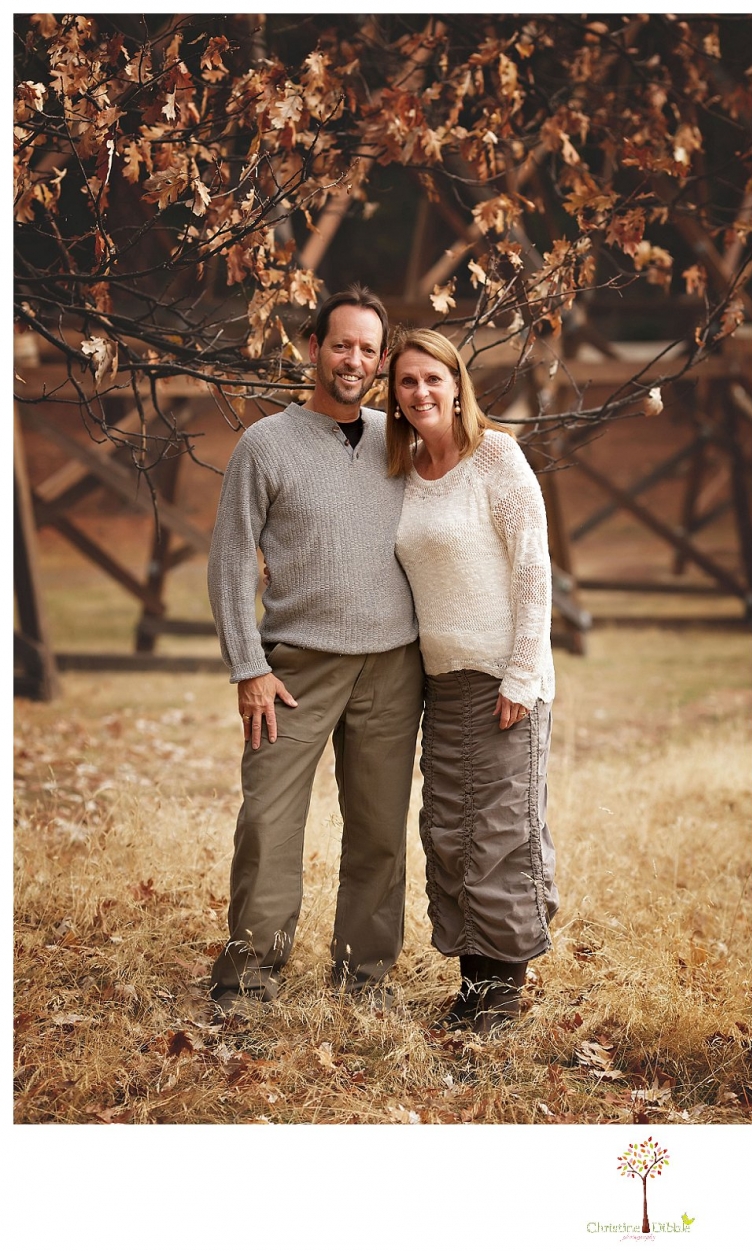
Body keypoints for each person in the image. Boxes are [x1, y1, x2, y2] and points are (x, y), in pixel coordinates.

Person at [207, 286, 423, 1017]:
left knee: (379, 830)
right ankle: (248, 981)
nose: (353, 359)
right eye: (341, 344)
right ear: (312, 347)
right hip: (294, 669)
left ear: (382, 360)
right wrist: (248, 666)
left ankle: (365, 976)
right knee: (268, 823)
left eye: (368, 348)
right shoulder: (265, 444)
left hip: (393, 667)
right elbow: (231, 560)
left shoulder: (400, 440)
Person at [386, 327, 558, 1036]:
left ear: (458, 385)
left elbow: (532, 569)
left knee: (501, 834)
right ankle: (473, 986)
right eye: (407, 381)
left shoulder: (497, 457)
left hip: (502, 680)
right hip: (441, 682)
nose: (421, 391)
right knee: (451, 833)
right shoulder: (403, 469)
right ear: (395, 396)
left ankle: (503, 998)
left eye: (434, 378)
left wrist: (521, 674)